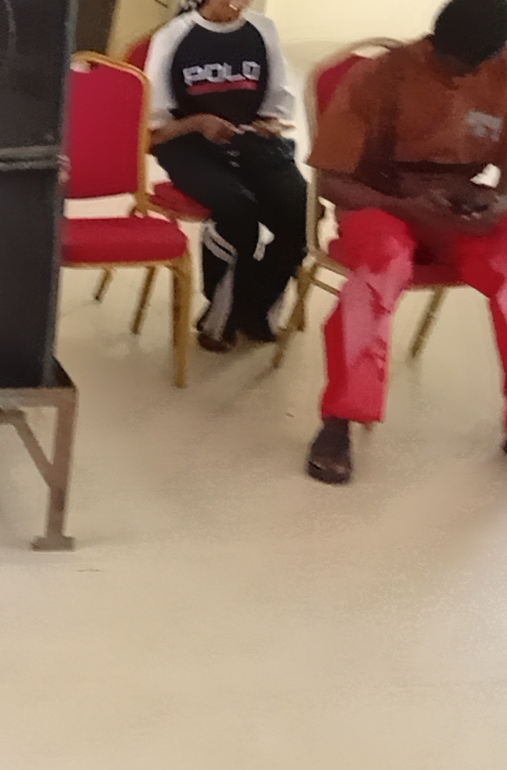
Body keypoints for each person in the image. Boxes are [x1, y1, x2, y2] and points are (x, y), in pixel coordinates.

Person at [303, 0, 507, 483]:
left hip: (459, 207)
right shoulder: (377, 78)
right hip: (380, 202)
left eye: (479, 64)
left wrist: (498, 202)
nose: (467, 75)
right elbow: (331, 181)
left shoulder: (500, 74)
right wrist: (409, 207)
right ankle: (340, 420)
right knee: (382, 267)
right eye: (457, 63)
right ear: (440, 45)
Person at [145, 0, 307, 352]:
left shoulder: (262, 30)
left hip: (249, 142)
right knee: (237, 208)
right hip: (189, 145)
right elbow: (153, 131)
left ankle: (257, 306)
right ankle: (221, 316)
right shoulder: (174, 36)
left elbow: (276, 106)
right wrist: (199, 123)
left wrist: (269, 124)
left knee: (300, 208)